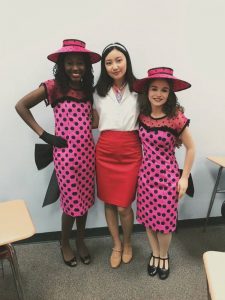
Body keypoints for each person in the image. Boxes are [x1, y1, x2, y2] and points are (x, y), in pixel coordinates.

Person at [15, 39, 101, 267]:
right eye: (70, 63)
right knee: (71, 204)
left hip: (87, 155)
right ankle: (64, 242)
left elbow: (91, 121)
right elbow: (21, 106)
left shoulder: (86, 89)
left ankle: (81, 241)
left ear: (87, 66)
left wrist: (95, 119)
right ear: (62, 64)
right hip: (65, 157)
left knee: (85, 201)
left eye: (80, 63)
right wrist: (45, 136)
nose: (75, 67)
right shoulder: (52, 86)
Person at [133, 67, 195, 279]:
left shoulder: (176, 118)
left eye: (164, 90)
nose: (158, 93)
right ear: (147, 91)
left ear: (170, 93)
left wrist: (184, 177)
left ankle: (164, 255)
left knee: (165, 224)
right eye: (154, 88)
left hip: (168, 179)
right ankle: (155, 253)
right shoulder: (141, 116)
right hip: (145, 177)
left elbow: (191, 148)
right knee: (149, 220)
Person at [93, 42, 142, 268]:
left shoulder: (140, 89)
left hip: (131, 150)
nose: (114, 66)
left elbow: (156, 111)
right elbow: (91, 120)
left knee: (124, 205)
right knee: (110, 203)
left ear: (127, 61)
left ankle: (128, 242)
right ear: (104, 67)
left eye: (118, 60)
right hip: (105, 151)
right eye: (109, 62)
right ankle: (116, 244)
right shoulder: (96, 92)